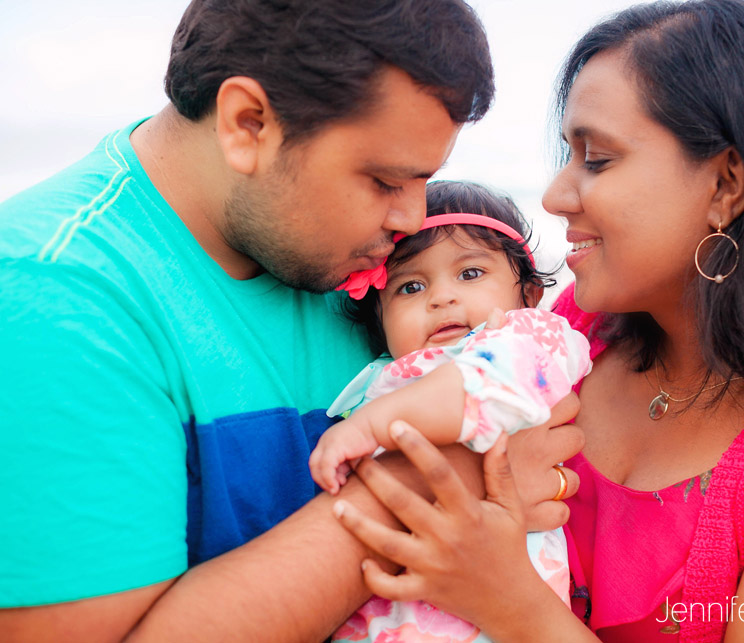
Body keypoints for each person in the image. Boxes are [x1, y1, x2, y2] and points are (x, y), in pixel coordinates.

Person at [0, 2, 586, 641]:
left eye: (425, 179)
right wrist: (440, 477)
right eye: (384, 180)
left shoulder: (350, 258)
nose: (413, 220)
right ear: (247, 124)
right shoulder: (57, 299)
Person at [331, 1, 744, 641]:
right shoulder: (575, 332)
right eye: (568, 155)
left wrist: (508, 602)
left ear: (725, 186)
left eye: (596, 159)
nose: (555, 196)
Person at [307, 181, 590, 641]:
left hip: (493, 616)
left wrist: (372, 425)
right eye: (411, 286)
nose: (441, 297)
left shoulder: (530, 337)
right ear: (379, 315)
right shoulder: (377, 378)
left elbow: (485, 386)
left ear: (530, 293)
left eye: (470, 273)